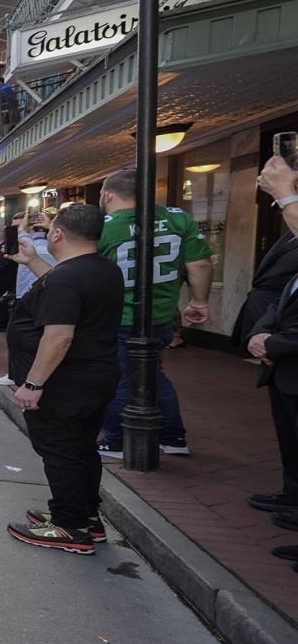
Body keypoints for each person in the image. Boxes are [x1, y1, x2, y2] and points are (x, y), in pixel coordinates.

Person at [4, 205, 125, 554]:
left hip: (66, 382)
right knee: (82, 447)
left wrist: (33, 384)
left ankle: (69, 525)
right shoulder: (102, 269)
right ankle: (85, 516)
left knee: (61, 451)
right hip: (94, 376)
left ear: (57, 235)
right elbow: (66, 292)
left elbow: (59, 336)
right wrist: (31, 262)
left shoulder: (66, 278)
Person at [95, 169, 214, 458]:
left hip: (118, 317)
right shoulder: (177, 218)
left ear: (108, 195)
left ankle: (116, 440)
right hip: (160, 315)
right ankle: (173, 437)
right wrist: (200, 302)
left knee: (119, 377)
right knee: (155, 375)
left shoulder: (102, 227)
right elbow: (199, 264)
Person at [245, 153, 298, 519]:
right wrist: (262, 331)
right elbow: (285, 291)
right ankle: (293, 496)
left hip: (289, 351)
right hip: (281, 360)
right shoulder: (288, 238)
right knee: (289, 434)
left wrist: (285, 193)